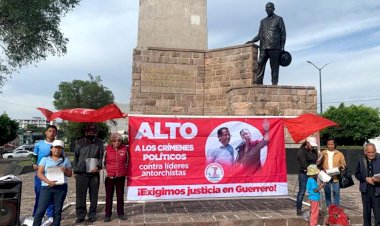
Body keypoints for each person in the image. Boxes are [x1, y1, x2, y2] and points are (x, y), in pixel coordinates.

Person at [33, 140, 72, 226]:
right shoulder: (45, 159)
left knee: (57, 211)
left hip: (61, 188)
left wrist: (64, 170)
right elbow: (39, 173)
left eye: (59, 148)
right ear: (51, 148)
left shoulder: (66, 160)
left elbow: (70, 174)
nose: (57, 150)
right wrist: (48, 181)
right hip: (46, 188)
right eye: (55, 147)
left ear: (62, 150)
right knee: (40, 210)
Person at [246, 2, 286, 85]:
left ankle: (274, 84)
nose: (269, 9)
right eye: (267, 8)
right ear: (265, 9)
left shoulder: (279, 19)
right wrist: (252, 41)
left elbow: (283, 34)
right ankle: (259, 83)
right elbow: (260, 35)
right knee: (260, 63)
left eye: (270, 7)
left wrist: (282, 47)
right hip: (263, 47)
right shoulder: (262, 21)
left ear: (274, 8)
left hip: (275, 47)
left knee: (274, 67)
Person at [72, 124, 104, 223]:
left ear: (96, 133)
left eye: (93, 132)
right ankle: (81, 215)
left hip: (94, 173)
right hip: (81, 173)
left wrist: (98, 166)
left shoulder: (99, 143)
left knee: (93, 196)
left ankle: (92, 214)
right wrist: (75, 170)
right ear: (85, 133)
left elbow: (101, 156)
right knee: (80, 195)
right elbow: (75, 157)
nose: (91, 133)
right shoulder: (79, 142)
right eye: (89, 132)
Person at [32, 125, 58, 225]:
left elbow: (61, 157)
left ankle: (50, 215)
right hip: (40, 174)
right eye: (50, 131)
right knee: (39, 194)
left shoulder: (58, 144)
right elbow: (34, 157)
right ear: (46, 132)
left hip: (52, 173)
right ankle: (36, 214)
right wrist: (33, 164)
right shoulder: (39, 144)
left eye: (54, 131)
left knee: (51, 195)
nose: (52, 133)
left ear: (56, 133)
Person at [103, 133, 129, 222]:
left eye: (119, 141)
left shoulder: (125, 148)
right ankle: (108, 214)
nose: (117, 142)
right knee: (109, 196)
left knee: (120, 196)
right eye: (114, 141)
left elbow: (128, 161)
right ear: (111, 141)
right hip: (110, 177)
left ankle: (121, 213)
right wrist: (108, 172)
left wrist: (125, 172)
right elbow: (103, 162)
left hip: (120, 176)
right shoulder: (107, 149)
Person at [355, 143, 380, 226]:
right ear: (365, 152)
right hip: (365, 190)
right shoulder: (361, 160)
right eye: (369, 152)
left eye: (373, 152)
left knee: (378, 213)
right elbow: (357, 174)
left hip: (377, 190)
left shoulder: (379, 159)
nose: (371, 154)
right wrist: (365, 178)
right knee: (366, 213)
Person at [296, 136, 320, 216]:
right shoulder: (301, 151)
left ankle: (313, 209)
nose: (312, 147)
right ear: (307, 143)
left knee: (314, 191)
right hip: (304, 173)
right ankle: (298, 209)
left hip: (313, 174)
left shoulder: (314, 151)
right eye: (311, 145)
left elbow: (315, 161)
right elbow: (303, 163)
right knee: (302, 191)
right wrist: (310, 169)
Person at [319, 138, 346, 207]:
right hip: (326, 176)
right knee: (327, 192)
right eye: (329, 144)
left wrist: (341, 166)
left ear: (335, 145)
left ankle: (336, 208)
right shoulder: (323, 153)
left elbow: (344, 164)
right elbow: (319, 164)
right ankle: (329, 207)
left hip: (336, 176)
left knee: (336, 192)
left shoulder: (339, 154)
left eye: (332, 144)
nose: (330, 146)